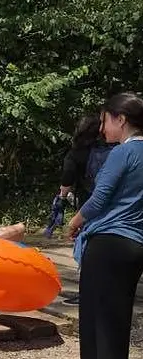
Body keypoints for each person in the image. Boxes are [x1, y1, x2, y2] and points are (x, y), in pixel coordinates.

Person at [67, 92, 143, 359]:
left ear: (120, 119)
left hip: (108, 242)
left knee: (96, 316)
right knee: (117, 316)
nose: (102, 129)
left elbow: (99, 199)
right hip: (136, 244)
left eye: (104, 120)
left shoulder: (122, 154)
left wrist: (75, 221)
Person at [46, 114, 116, 304]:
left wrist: (61, 199)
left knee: (86, 246)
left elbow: (67, 179)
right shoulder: (115, 149)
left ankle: (86, 293)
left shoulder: (77, 152)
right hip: (114, 205)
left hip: (89, 205)